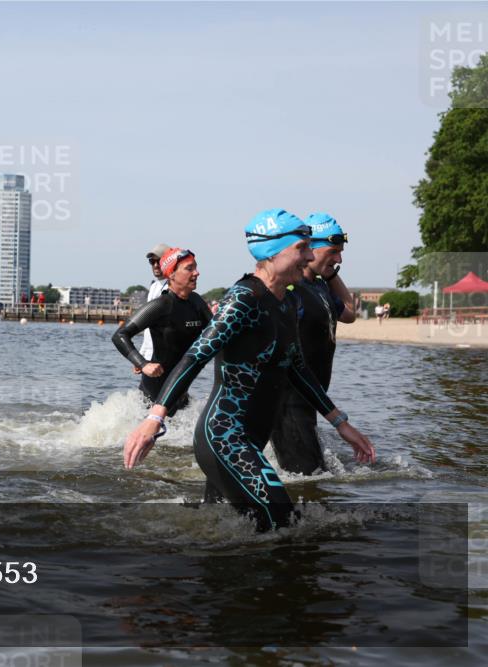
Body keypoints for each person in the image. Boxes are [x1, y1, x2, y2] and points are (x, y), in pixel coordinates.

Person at [122, 209, 376, 532]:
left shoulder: (287, 303)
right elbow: (195, 356)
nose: (309, 255)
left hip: (248, 442)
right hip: (224, 437)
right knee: (284, 523)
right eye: (301, 248)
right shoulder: (244, 299)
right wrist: (153, 420)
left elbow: (296, 369)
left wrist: (341, 424)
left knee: (216, 529)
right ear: (272, 251)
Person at [269, 213, 356, 475]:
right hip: (288, 405)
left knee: (313, 479)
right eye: (333, 252)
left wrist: (330, 275)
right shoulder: (290, 292)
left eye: (340, 253)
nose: (339, 259)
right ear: (309, 248)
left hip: (310, 402)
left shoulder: (320, 287)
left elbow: (350, 313)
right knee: (308, 485)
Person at [112, 248, 212, 412]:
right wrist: (143, 364)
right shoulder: (161, 305)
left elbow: (218, 334)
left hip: (180, 391)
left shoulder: (197, 302)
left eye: (196, 267)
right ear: (171, 274)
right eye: (189, 268)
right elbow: (120, 335)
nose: (197, 273)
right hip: (154, 394)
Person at [137, 243, 171, 374]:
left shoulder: (173, 287)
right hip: (149, 357)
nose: (155, 265)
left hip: (164, 357)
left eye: (159, 261)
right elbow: (147, 326)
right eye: (152, 261)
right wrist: (141, 357)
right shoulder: (154, 286)